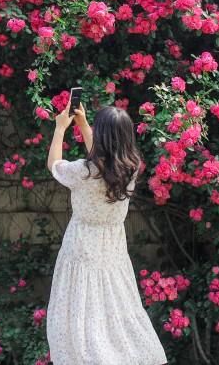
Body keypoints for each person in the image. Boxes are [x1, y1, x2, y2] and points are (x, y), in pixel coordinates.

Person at [45, 97, 168, 365]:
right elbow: (105, 160)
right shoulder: (130, 167)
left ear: (101, 137)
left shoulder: (84, 171)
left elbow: (54, 165)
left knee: (82, 307)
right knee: (113, 306)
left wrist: (60, 128)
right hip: (112, 248)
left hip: (82, 244)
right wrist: (85, 124)